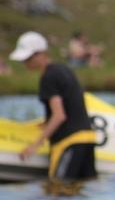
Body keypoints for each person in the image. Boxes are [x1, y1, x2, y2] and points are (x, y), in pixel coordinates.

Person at [8, 31, 97, 181]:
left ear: (42, 54)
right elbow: (71, 106)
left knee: (57, 188)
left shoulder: (48, 77)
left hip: (68, 142)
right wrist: (46, 123)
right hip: (87, 139)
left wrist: (34, 146)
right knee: (82, 188)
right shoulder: (64, 70)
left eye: (28, 58)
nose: (26, 63)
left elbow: (59, 115)